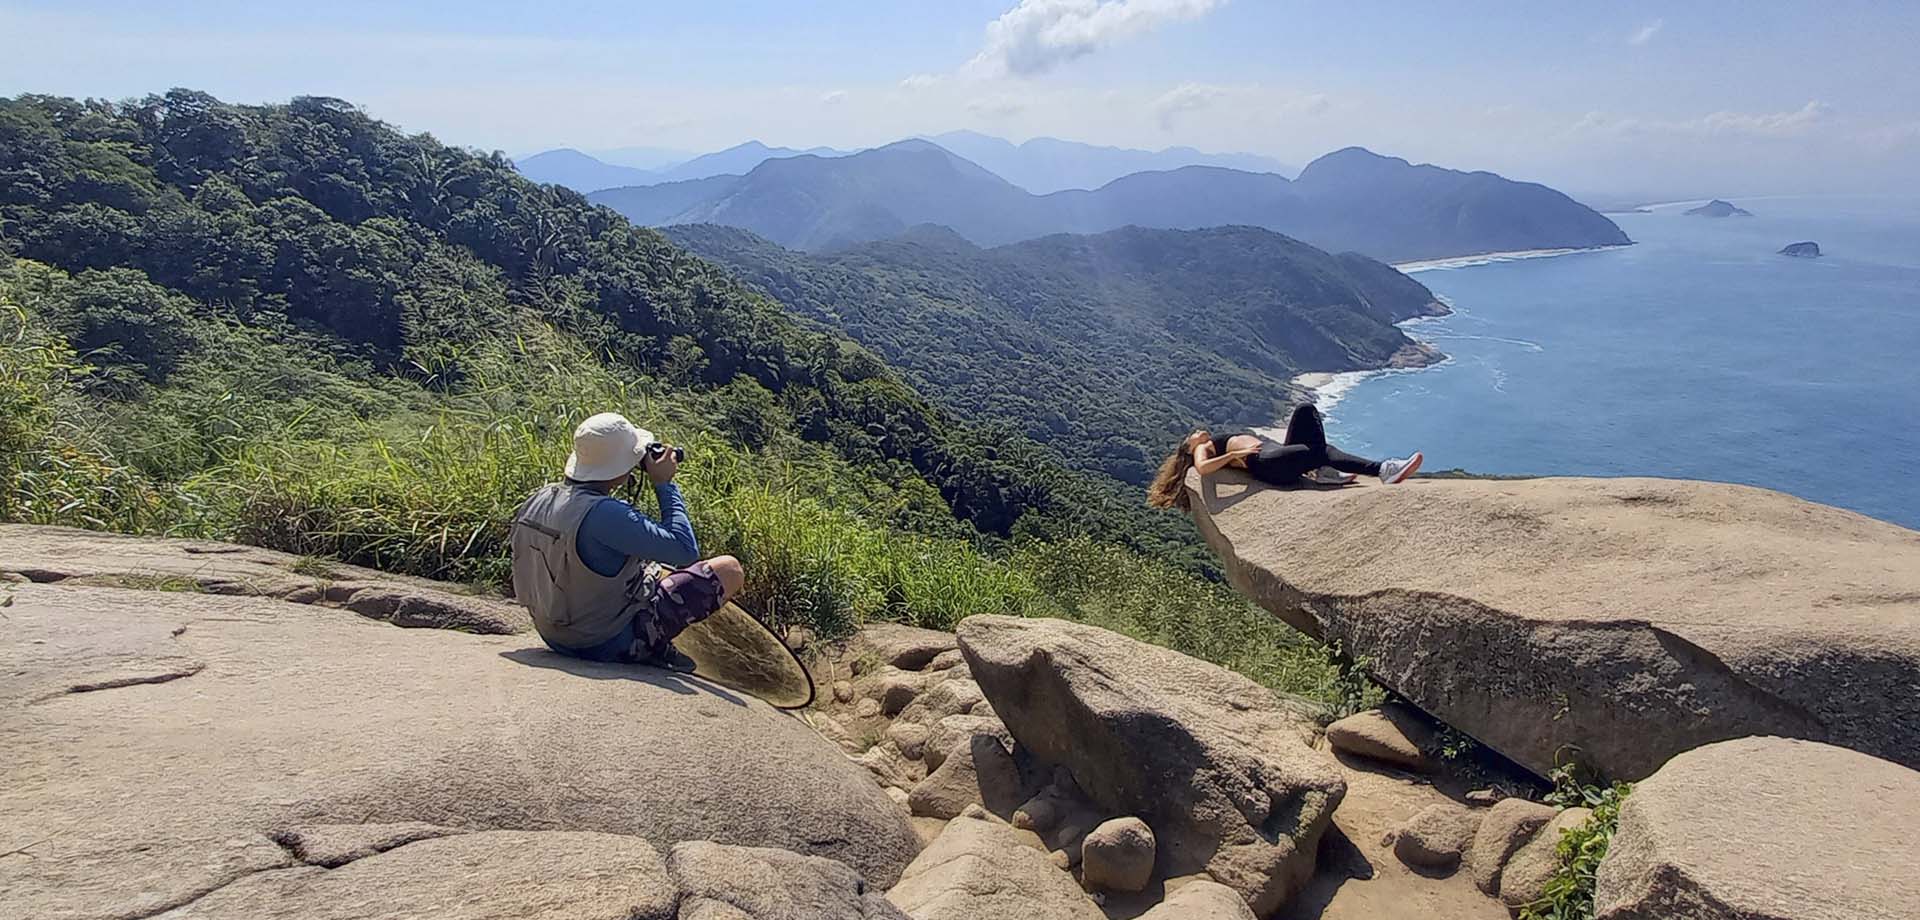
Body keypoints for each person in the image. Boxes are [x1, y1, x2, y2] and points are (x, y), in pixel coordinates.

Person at [510, 412, 745, 671]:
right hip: (604, 643)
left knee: (653, 567)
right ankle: (650, 646)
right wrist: (664, 485)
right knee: (728, 569)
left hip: (553, 633)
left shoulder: (541, 497)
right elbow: (685, 551)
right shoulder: (606, 515)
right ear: (622, 466)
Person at [1147, 403, 1423, 509]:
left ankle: (1325, 469)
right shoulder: (1199, 448)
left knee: (1305, 410)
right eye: (1193, 434)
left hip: (1273, 456)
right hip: (1266, 464)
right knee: (1319, 451)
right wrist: (1240, 453)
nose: (1197, 431)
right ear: (1188, 446)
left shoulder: (1205, 443)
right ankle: (1383, 470)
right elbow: (1204, 469)